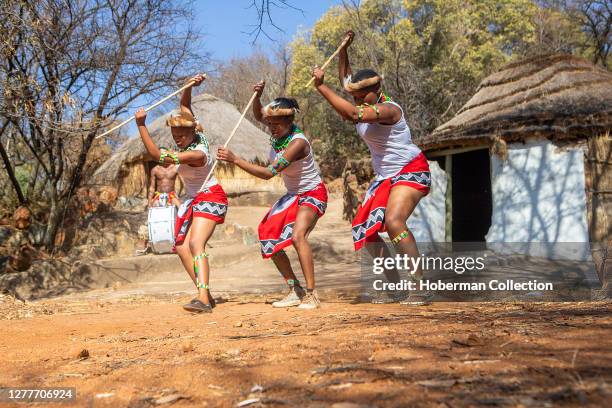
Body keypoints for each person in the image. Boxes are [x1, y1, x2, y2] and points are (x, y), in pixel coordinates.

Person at [312, 31, 432, 305]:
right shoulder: (363, 99)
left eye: (360, 96)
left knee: (394, 222)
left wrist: (321, 87)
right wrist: (343, 50)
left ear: (375, 92)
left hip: (410, 170)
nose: (355, 100)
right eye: (353, 96)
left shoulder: (388, 109)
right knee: (366, 231)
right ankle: (395, 289)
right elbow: (346, 80)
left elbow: (352, 114)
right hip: (386, 176)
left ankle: (420, 287)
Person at [217, 81, 327, 310]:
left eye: (277, 123)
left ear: (289, 121)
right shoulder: (278, 133)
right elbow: (259, 114)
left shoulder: (297, 143)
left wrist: (235, 159)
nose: (272, 127)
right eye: (270, 124)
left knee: (298, 237)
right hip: (293, 195)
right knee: (268, 235)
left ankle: (311, 294)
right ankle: (294, 290)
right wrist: (257, 96)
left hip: (312, 193)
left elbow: (268, 174)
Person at [135, 73, 228, 313]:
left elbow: (157, 156)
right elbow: (185, 107)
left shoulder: (197, 153)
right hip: (193, 199)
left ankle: (204, 299)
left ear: (193, 132)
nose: (178, 140)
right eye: (175, 137)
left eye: (182, 136)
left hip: (210, 195)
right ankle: (204, 293)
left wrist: (141, 125)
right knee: (181, 246)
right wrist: (189, 87)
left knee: (196, 243)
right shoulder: (193, 134)